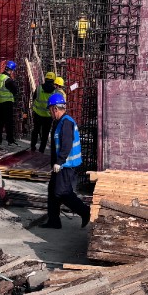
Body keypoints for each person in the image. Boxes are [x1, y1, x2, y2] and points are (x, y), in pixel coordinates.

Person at [40, 92, 91, 230]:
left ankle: (84, 211)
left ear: (55, 109)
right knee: (53, 191)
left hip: (66, 165)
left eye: (50, 110)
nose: (50, 113)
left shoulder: (66, 122)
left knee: (62, 192)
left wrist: (59, 161)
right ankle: (54, 221)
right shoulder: (58, 122)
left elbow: (66, 144)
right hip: (60, 165)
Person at [30, 71, 57, 153]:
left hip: (38, 114)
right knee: (45, 133)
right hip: (48, 116)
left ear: (45, 79)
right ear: (53, 80)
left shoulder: (39, 88)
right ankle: (41, 150)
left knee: (35, 131)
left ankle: (33, 147)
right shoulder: (55, 92)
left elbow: (34, 98)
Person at [0, 60, 19, 145]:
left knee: (0, 122)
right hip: (7, 103)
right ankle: (10, 140)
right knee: (9, 122)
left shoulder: (0, 76)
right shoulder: (8, 80)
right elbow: (15, 90)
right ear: (11, 70)